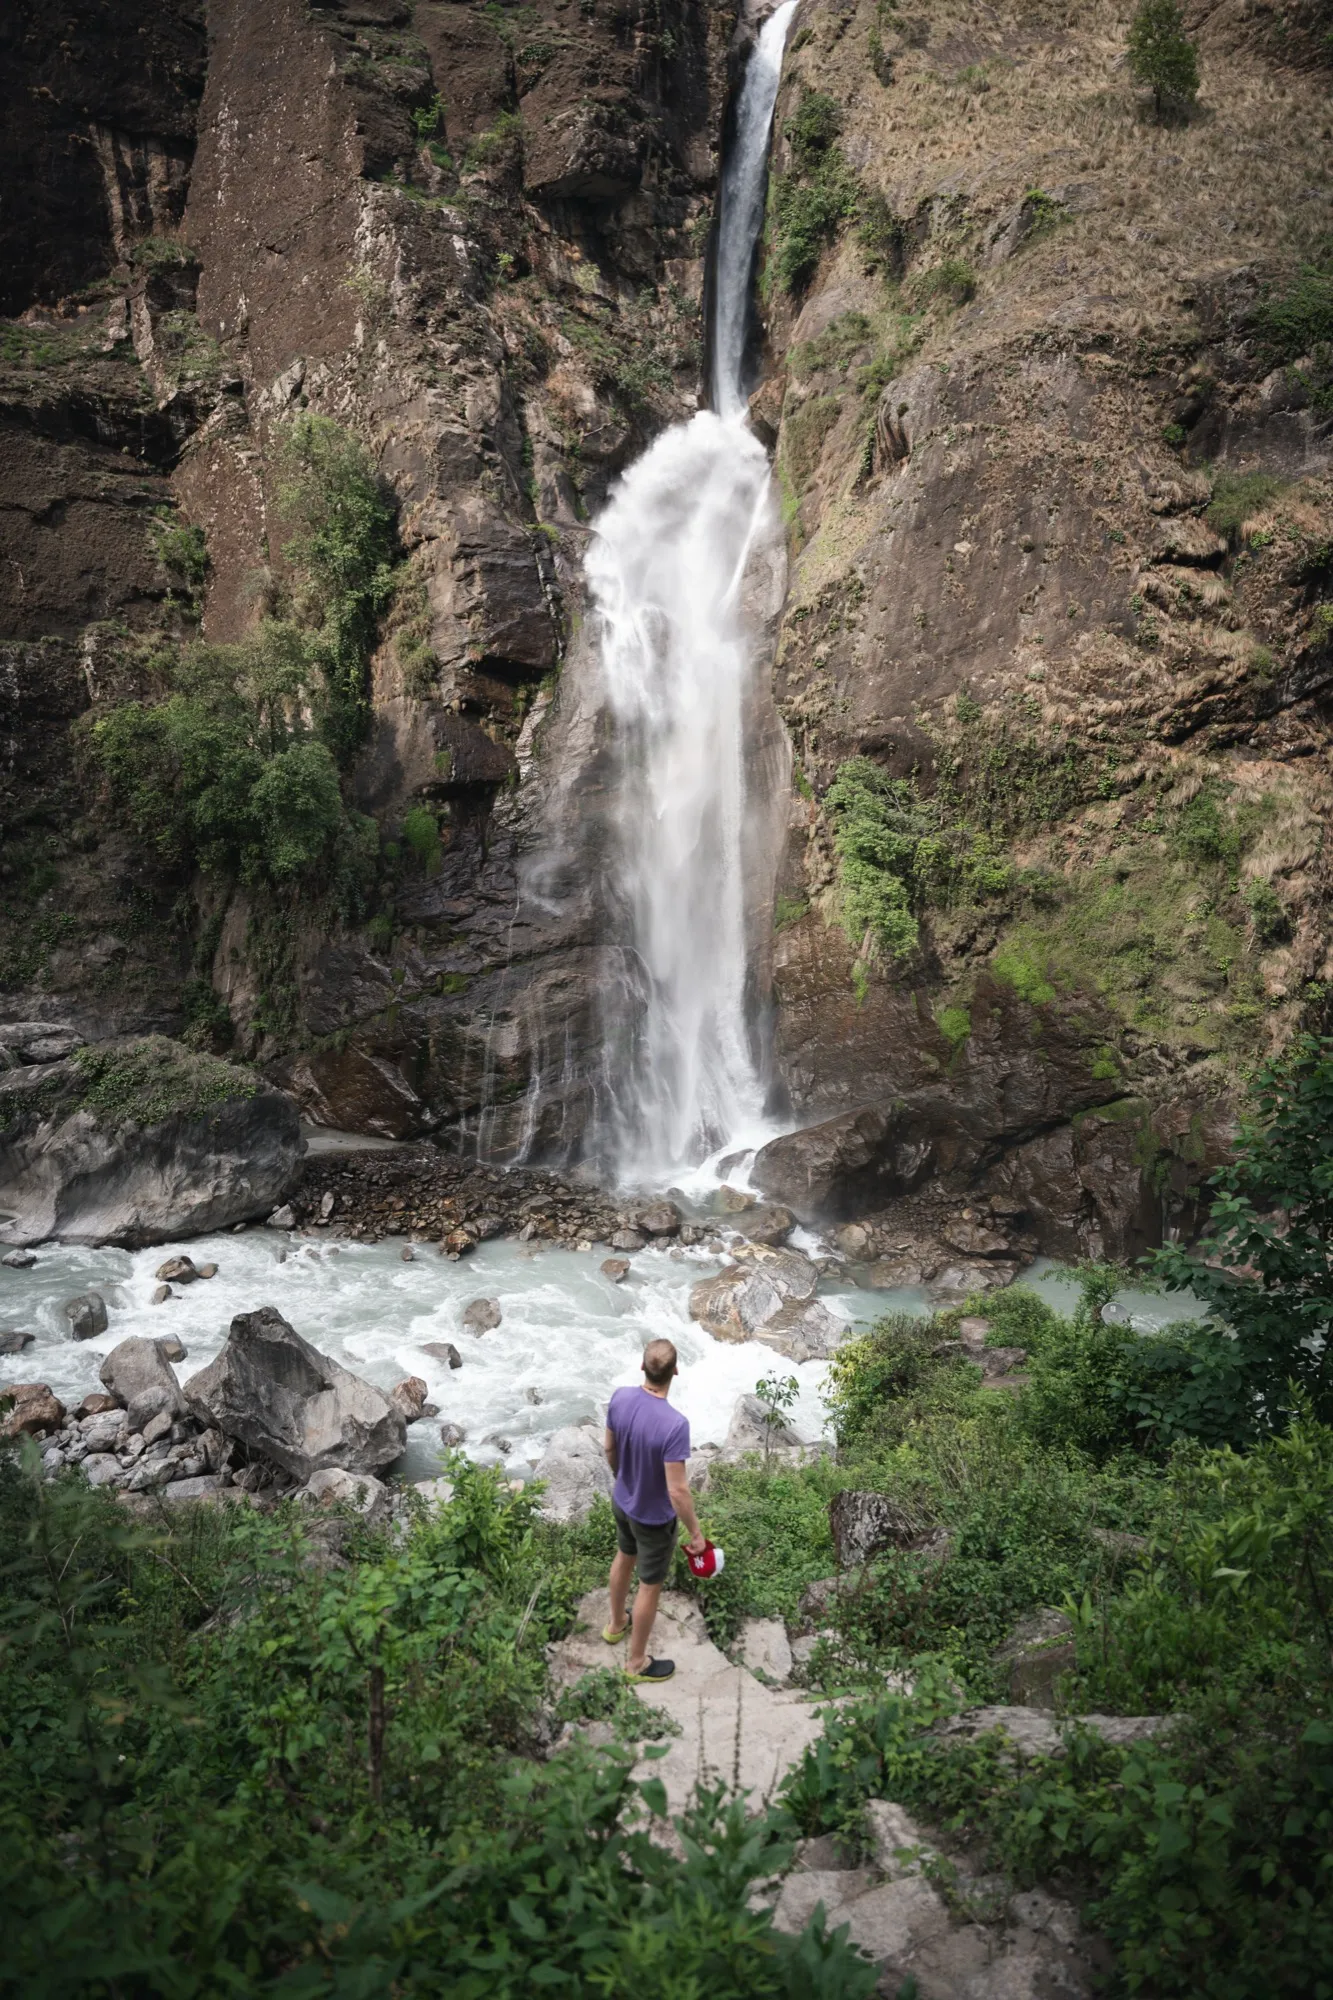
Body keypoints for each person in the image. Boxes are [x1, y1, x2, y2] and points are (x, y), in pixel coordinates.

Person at [603, 1338, 705, 1683]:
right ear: (675, 1371)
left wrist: (622, 1478)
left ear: (642, 1367)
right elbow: (677, 1490)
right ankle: (636, 1663)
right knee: (649, 1585)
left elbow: (609, 1448)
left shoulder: (620, 1398)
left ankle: (616, 1624)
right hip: (653, 1518)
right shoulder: (675, 1424)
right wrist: (695, 1533)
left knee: (624, 1555)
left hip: (622, 1501)